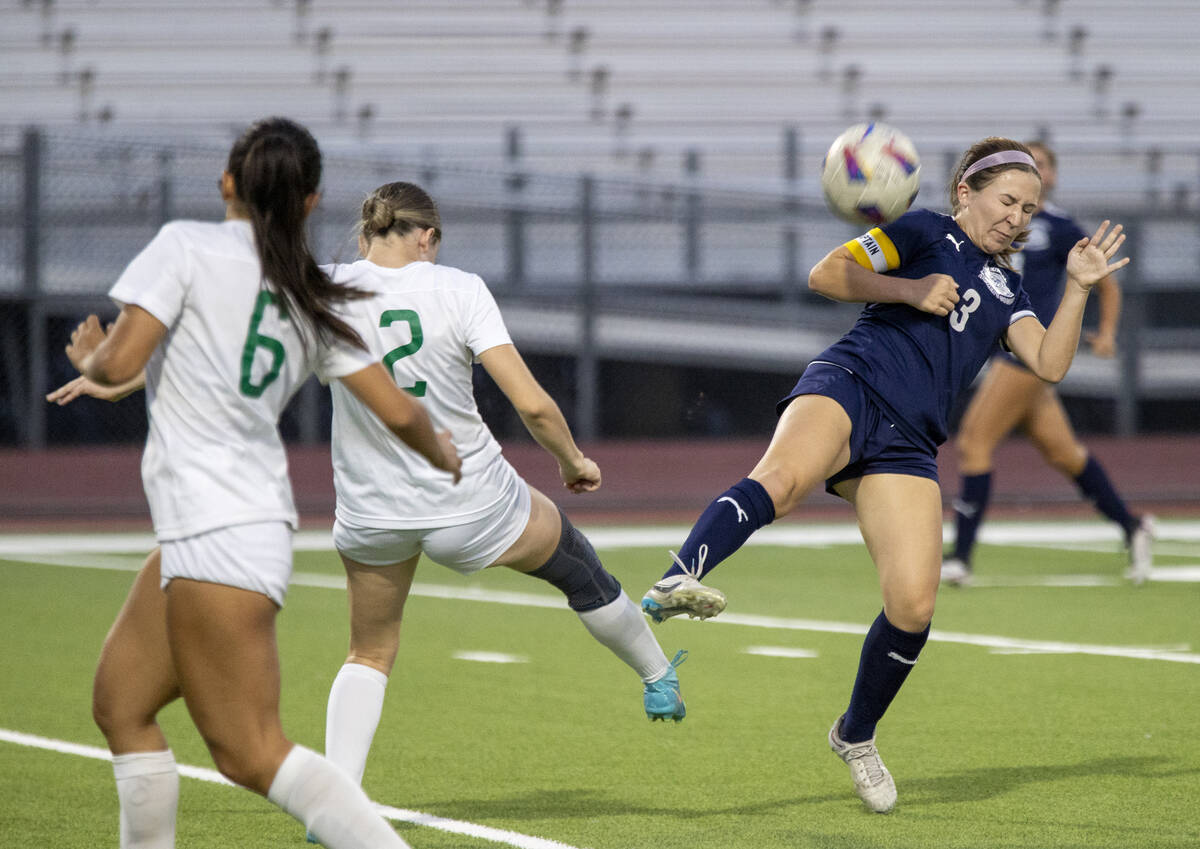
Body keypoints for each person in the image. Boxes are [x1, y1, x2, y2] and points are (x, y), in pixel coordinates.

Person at [637, 137, 1129, 813]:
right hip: (852, 380)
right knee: (780, 479)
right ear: (967, 192)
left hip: (909, 442)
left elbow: (1047, 362)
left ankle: (855, 733)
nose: (1018, 217)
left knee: (914, 606)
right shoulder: (925, 230)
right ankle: (681, 573)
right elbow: (827, 274)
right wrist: (911, 289)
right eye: (1008, 200)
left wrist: (1076, 287)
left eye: (1029, 207)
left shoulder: (1006, 285)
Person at [62, 117, 461, 849]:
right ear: (309, 202)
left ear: (226, 184)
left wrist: (92, 358)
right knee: (121, 703)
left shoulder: (186, 245)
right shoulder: (309, 290)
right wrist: (438, 448)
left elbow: (119, 367)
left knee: (249, 749)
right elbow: (398, 406)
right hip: (221, 526)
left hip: (221, 531)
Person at [313, 181, 685, 815]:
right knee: (578, 567)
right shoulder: (458, 288)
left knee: (368, 651)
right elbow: (533, 404)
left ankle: (334, 801)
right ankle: (657, 677)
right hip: (471, 502)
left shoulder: (320, 287)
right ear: (427, 237)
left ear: (364, 235)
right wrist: (574, 462)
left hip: (372, 510)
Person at [940, 141, 1153, 587]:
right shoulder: (995, 218)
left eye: (1041, 164)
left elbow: (1103, 279)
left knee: (975, 441)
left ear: (1051, 177)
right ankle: (1133, 527)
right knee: (1064, 454)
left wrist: (1108, 331)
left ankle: (959, 557)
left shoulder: (1057, 226)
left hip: (1030, 350)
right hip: (1006, 346)